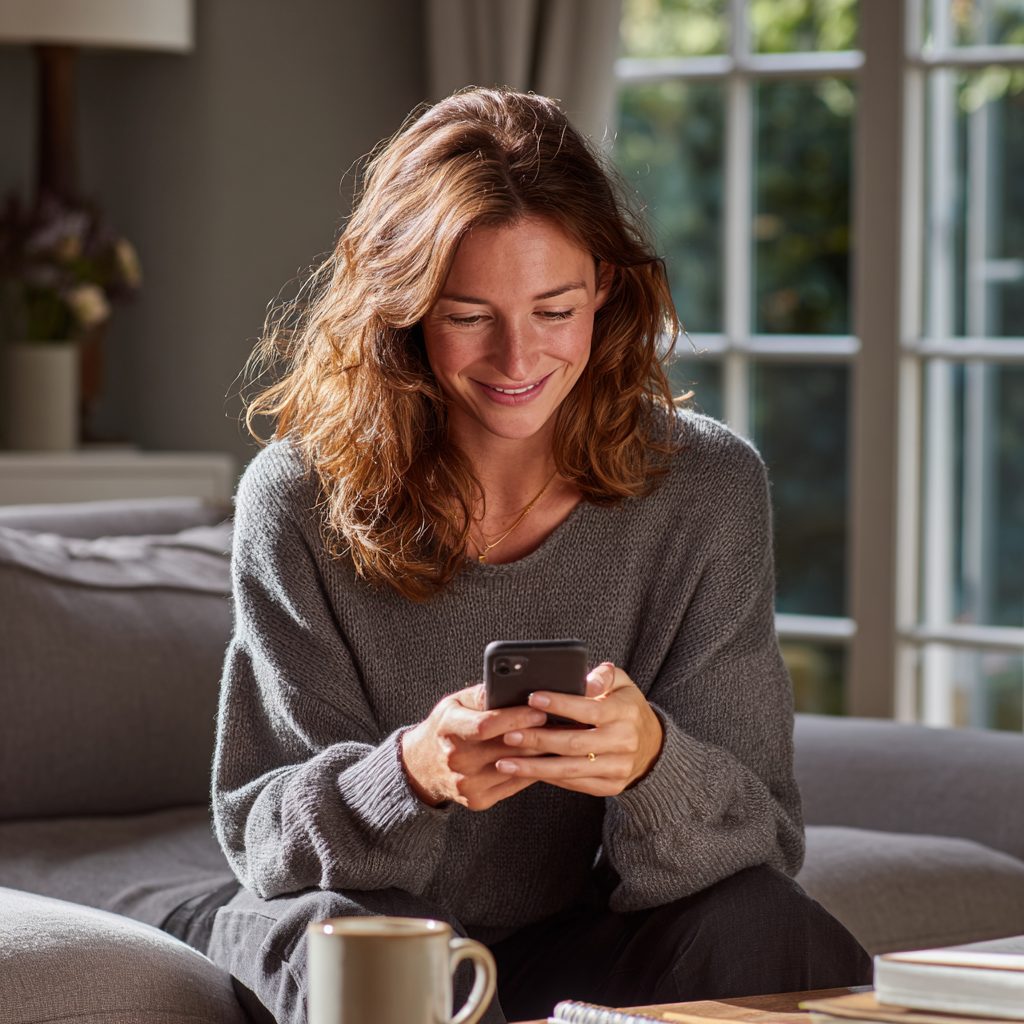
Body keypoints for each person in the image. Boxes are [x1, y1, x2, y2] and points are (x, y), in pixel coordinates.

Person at [177, 86, 872, 1024]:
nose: (517, 357)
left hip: (578, 933)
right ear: (405, 310)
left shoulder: (706, 487)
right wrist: (415, 772)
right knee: (380, 953)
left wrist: (652, 759)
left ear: (606, 294)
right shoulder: (299, 497)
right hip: (351, 917)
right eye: (470, 314)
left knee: (767, 923)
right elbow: (268, 840)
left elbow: (762, 837)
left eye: (555, 309)